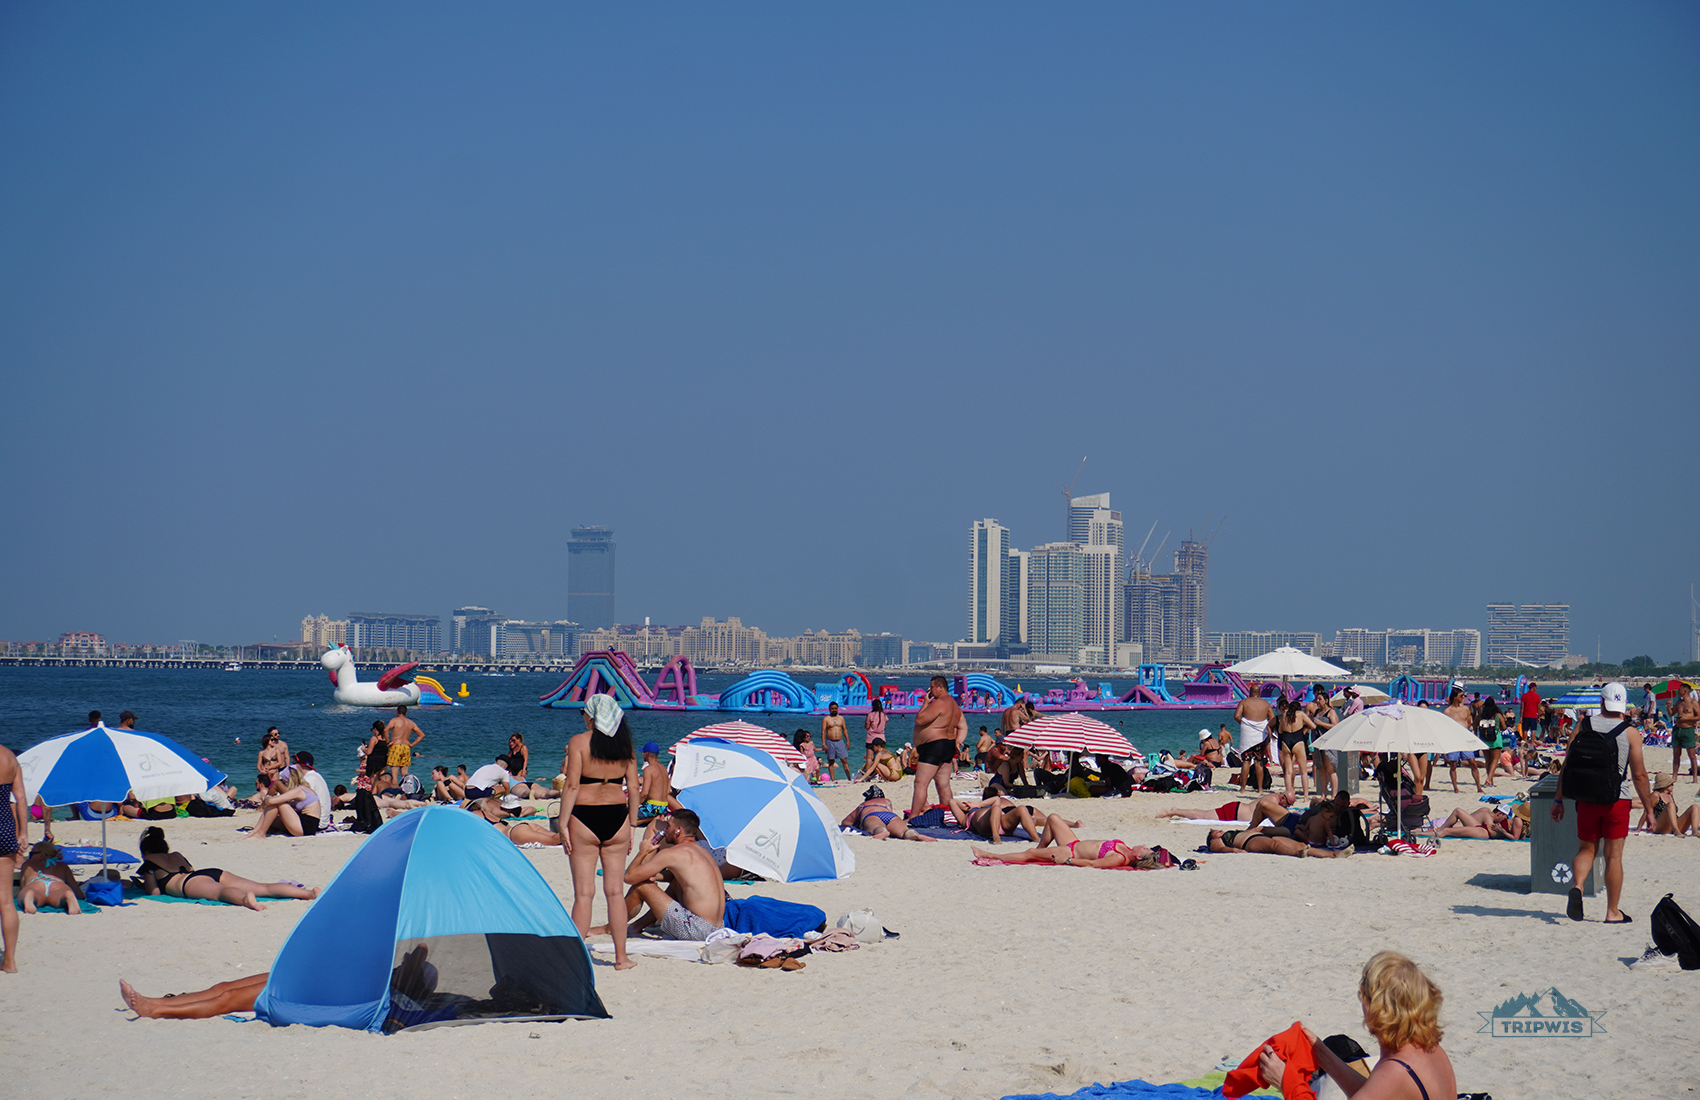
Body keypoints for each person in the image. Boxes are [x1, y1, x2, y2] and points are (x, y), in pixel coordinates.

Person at [1255, 952, 1455, 1100]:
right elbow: (1373, 1093)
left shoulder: (1395, 1071)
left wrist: (1286, 1082)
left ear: (1374, 1007)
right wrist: (1322, 1053)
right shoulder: (1432, 1050)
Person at [1551, 682, 1658, 923]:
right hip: (1616, 800)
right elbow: (1639, 776)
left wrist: (1558, 799)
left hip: (1586, 798)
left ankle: (1577, 886)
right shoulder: (1630, 732)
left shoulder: (1583, 725)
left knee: (1586, 849)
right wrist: (1649, 810)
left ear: (1601, 702)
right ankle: (1612, 912)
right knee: (1613, 856)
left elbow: (1567, 765)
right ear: (1622, 706)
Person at [558, 695, 641, 969]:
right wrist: (631, 824)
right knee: (615, 893)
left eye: (584, 712)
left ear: (591, 715)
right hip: (617, 818)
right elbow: (634, 788)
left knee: (584, 894)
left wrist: (562, 822)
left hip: (584, 816)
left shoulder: (579, 742)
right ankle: (621, 958)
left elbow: (571, 786)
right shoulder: (625, 745)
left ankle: (574, 961)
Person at [137, 826, 318, 908]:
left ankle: (246, 900)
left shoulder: (149, 861)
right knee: (263, 887)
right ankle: (309, 893)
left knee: (221, 892)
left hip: (189, 883)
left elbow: (154, 893)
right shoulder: (176, 855)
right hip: (209, 872)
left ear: (146, 850)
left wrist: (143, 882)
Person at [621, 809, 726, 941]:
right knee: (677, 882)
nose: (665, 829)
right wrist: (659, 876)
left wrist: (643, 851)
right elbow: (682, 877)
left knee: (642, 886)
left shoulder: (673, 853)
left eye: (668, 826)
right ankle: (636, 926)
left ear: (678, 830)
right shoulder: (702, 852)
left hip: (697, 930)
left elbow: (629, 877)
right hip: (717, 928)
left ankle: (613, 927)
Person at [972, 814, 1158, 868]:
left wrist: (1069, 861)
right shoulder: (1124, 848)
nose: (1143, 845)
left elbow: (1092, 863)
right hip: (1074, 842)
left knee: (1029, 855)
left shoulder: (1118, 859)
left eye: (1145, 848)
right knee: (1053, 818)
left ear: (1139, 856)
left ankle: (990, 854)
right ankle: (1039, 850)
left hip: (1070, 852)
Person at [909, 675, 964, 817]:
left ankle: (913, 817)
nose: (930, 690)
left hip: (934, 746)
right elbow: (963, 726)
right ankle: (949, 815)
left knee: (921, 783)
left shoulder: (940, 702)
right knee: (943, 784)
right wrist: (958, 741)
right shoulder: (954, 705)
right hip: (948, 746)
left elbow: (920, 719)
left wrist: (925, 703)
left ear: (941, 687)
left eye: (932, 687)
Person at [244, 764, 324, 838]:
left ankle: (260, 833)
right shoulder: (305, 788)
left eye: (284, 782)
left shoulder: (298, 790)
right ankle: (256, 831)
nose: (285, 785)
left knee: (277, 803)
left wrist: (268, 797)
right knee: (272, 819)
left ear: (289, 781)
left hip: (306, 827)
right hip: (308, 825)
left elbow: (271, 801)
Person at [842, 786, 936, 841]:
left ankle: (882, 832)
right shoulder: (887, 802)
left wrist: (858, 823)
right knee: (904, 831)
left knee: (877, 827)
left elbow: (846, 822)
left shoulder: (863, 805)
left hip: (872, 815)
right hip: (891, 816)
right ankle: (916, 835)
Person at [16, 841, 83, 914]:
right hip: (57, 883)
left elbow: (23, 885)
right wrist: (81, 896)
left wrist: (24, 891)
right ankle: (67, 895)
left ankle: (30, 895)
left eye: (31, 854)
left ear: (41, 855)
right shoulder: (62, 866)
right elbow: (76, 889)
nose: (30, 857)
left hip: (36, 883)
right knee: (61, 895)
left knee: (27, 892)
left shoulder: (28, 865)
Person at [469, 794, 562, 846]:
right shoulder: (490, 815)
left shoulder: (475, 815)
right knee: (559, 837)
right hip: (523, 827)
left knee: (554, 840)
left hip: (515, 834)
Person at [1207, 826, 1354, 858]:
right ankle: (1297, 854)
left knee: (1302, 845)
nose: (1218, 830)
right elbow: (1218, 849)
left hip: (1258, 836)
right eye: (1215, 832)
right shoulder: (1217, 841)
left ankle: (1333, 854)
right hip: (1250, 843)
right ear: (1212, 838)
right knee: (1275, 846)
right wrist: (1234, 850)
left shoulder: (1232, 832)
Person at [1234, 690, 1276, 792]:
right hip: (1260, 735)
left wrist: (1244, 724)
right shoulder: (1266, 703)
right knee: (1259, 762)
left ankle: (1243, 788)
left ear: (1250, 693)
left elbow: (1236, 716)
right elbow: (1272, 718)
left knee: (1246, 761)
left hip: (1247, 735)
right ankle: (1260, 789)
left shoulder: (1244, 702)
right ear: (1260, 693)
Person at [1274, 699, 1316, 799]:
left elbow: (1280, 731)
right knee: (1303, 771)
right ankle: (1305, 796)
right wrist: (1304, 726)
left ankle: (1289, 795)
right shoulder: (1301, 714)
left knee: (1288, 772)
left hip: (1286, 742)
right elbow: (1313, 726)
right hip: (1298, 741)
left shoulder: (1283, 716)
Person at [1307, 686, 1337, 799]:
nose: (1317, 701)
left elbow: (1335, 726)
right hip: (1317, 742)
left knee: (1331, 769)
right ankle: (1323, 794)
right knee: (1321, 769)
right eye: (1317, 699)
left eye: (1320, 699)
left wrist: (1321, 724)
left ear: (1326, 700)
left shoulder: (1331, 712)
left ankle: (1334, 795)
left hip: (1328, 743)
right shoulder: (1317, 712)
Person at [384, 705, 424, 789]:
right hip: (406, 747)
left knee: (394, 774)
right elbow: (421, 735)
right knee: (405, 773)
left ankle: (395, 791)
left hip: (396, 746)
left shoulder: (394, 720)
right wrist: (412, 744)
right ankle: (406, 791)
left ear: (397, 712)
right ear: (406, 713)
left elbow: (385, 730)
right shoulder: (411, 722)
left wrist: (388, 742)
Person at [1434, 805, 1525, 841]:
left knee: (1444, 830)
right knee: (1446, 831)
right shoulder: (1488, 818)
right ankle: (1424, 832)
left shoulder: (1486, 810)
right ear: (1499, 813)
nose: (1503, 820)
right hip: (1453, 825)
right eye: (1504, 818)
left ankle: (1421, 832)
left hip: (1444, 821)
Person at [1476, 697, 1510, 787]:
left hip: (1484, 739)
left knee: (1488, 760)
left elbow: (1475, 725)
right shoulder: (1497, 715)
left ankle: (1490, 780)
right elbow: (1503, 727)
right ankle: (1488, 779)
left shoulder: (1481, 715)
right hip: (1495, 739)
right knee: (1495, 760)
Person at [638, 742, 673, 820]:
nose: (642, 754)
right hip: (664, 807)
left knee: (628, 817)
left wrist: (635, 804)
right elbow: (667, 791)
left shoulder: (648, 769)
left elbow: (644, 793)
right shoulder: (664, 769)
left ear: (647, 754)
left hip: (652, 807)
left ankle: (650, 819)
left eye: (642, 753)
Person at [819, 702, 852, 782]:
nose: (834, 710)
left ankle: (849, 778)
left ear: (837, 709)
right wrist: (823, 743)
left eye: (835, 708)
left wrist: (847, 741)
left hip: (840, 741)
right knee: (831, 761)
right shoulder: (826, 719)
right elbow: (823, 732)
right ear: (829, 709)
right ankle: (833, 780)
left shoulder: (841, 718)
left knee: (844, 760)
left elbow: (844, 730)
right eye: (832, 708)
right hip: (830, 742)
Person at [1673, 689, 1699, 783]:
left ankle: (1695, 778)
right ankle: (1674, 776)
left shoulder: (1693, 702)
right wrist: (1668, 706)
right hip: (1677, 729)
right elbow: (1671, 713)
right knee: (1676, 754)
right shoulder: (1678, 702)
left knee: (1691, 754)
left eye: (1679, 690)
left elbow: (1698, 716)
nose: (1678, 691)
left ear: (1685, 691)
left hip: (1688, 729)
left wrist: (1686, 718)